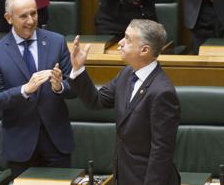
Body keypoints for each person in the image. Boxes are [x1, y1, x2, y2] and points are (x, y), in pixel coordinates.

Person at [67, 19, 180, 185]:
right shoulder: (126, 74)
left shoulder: (162, 92)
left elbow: (161, 151)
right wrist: (78, 69)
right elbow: (96, 101)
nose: (120, 43)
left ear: (144, 50)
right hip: (124, 175)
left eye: (127, 39)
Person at [0, 0, 75, 179]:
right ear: (8, 18)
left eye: (33, 14)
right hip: (20, 144)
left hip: (56, 140)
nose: (30, 21)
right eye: (23, 16)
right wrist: (24, 90)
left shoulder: (56, 42)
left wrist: (59, 87)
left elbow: (73, 87)